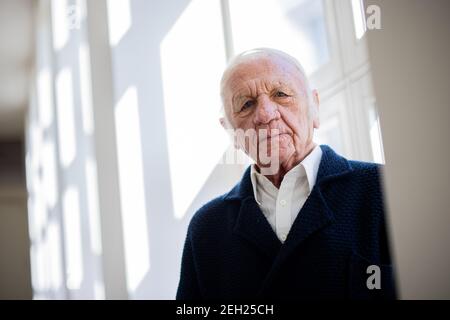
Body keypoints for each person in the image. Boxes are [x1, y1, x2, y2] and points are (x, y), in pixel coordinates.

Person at [176, 48, 396, 300]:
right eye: (246, 104)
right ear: (231, 132)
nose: (266, 115)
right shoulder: (206, 228)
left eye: (281, 94)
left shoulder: (384, 188)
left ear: (315, 107)